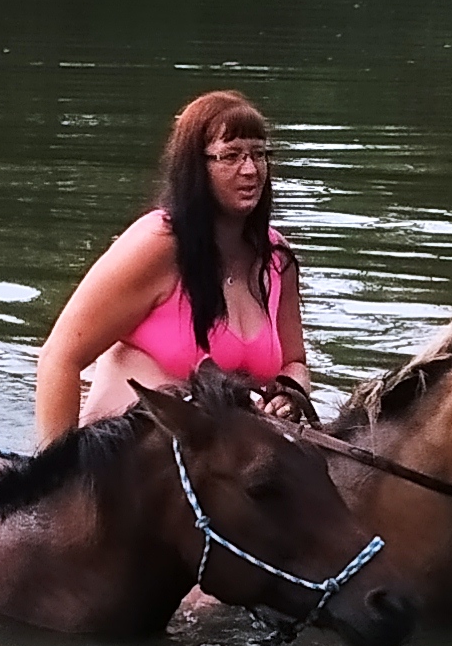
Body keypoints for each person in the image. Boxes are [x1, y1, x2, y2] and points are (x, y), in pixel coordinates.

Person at [33, 90, 314, 443]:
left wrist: (290, 392)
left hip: (224, 476)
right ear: (196, 168)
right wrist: (56, 477)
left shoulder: (276, 258)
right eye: (230, 156)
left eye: (259, 154)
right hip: (124, 467)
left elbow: (295, 363)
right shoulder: (157, 245)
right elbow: (59, 358)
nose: (250, 170)